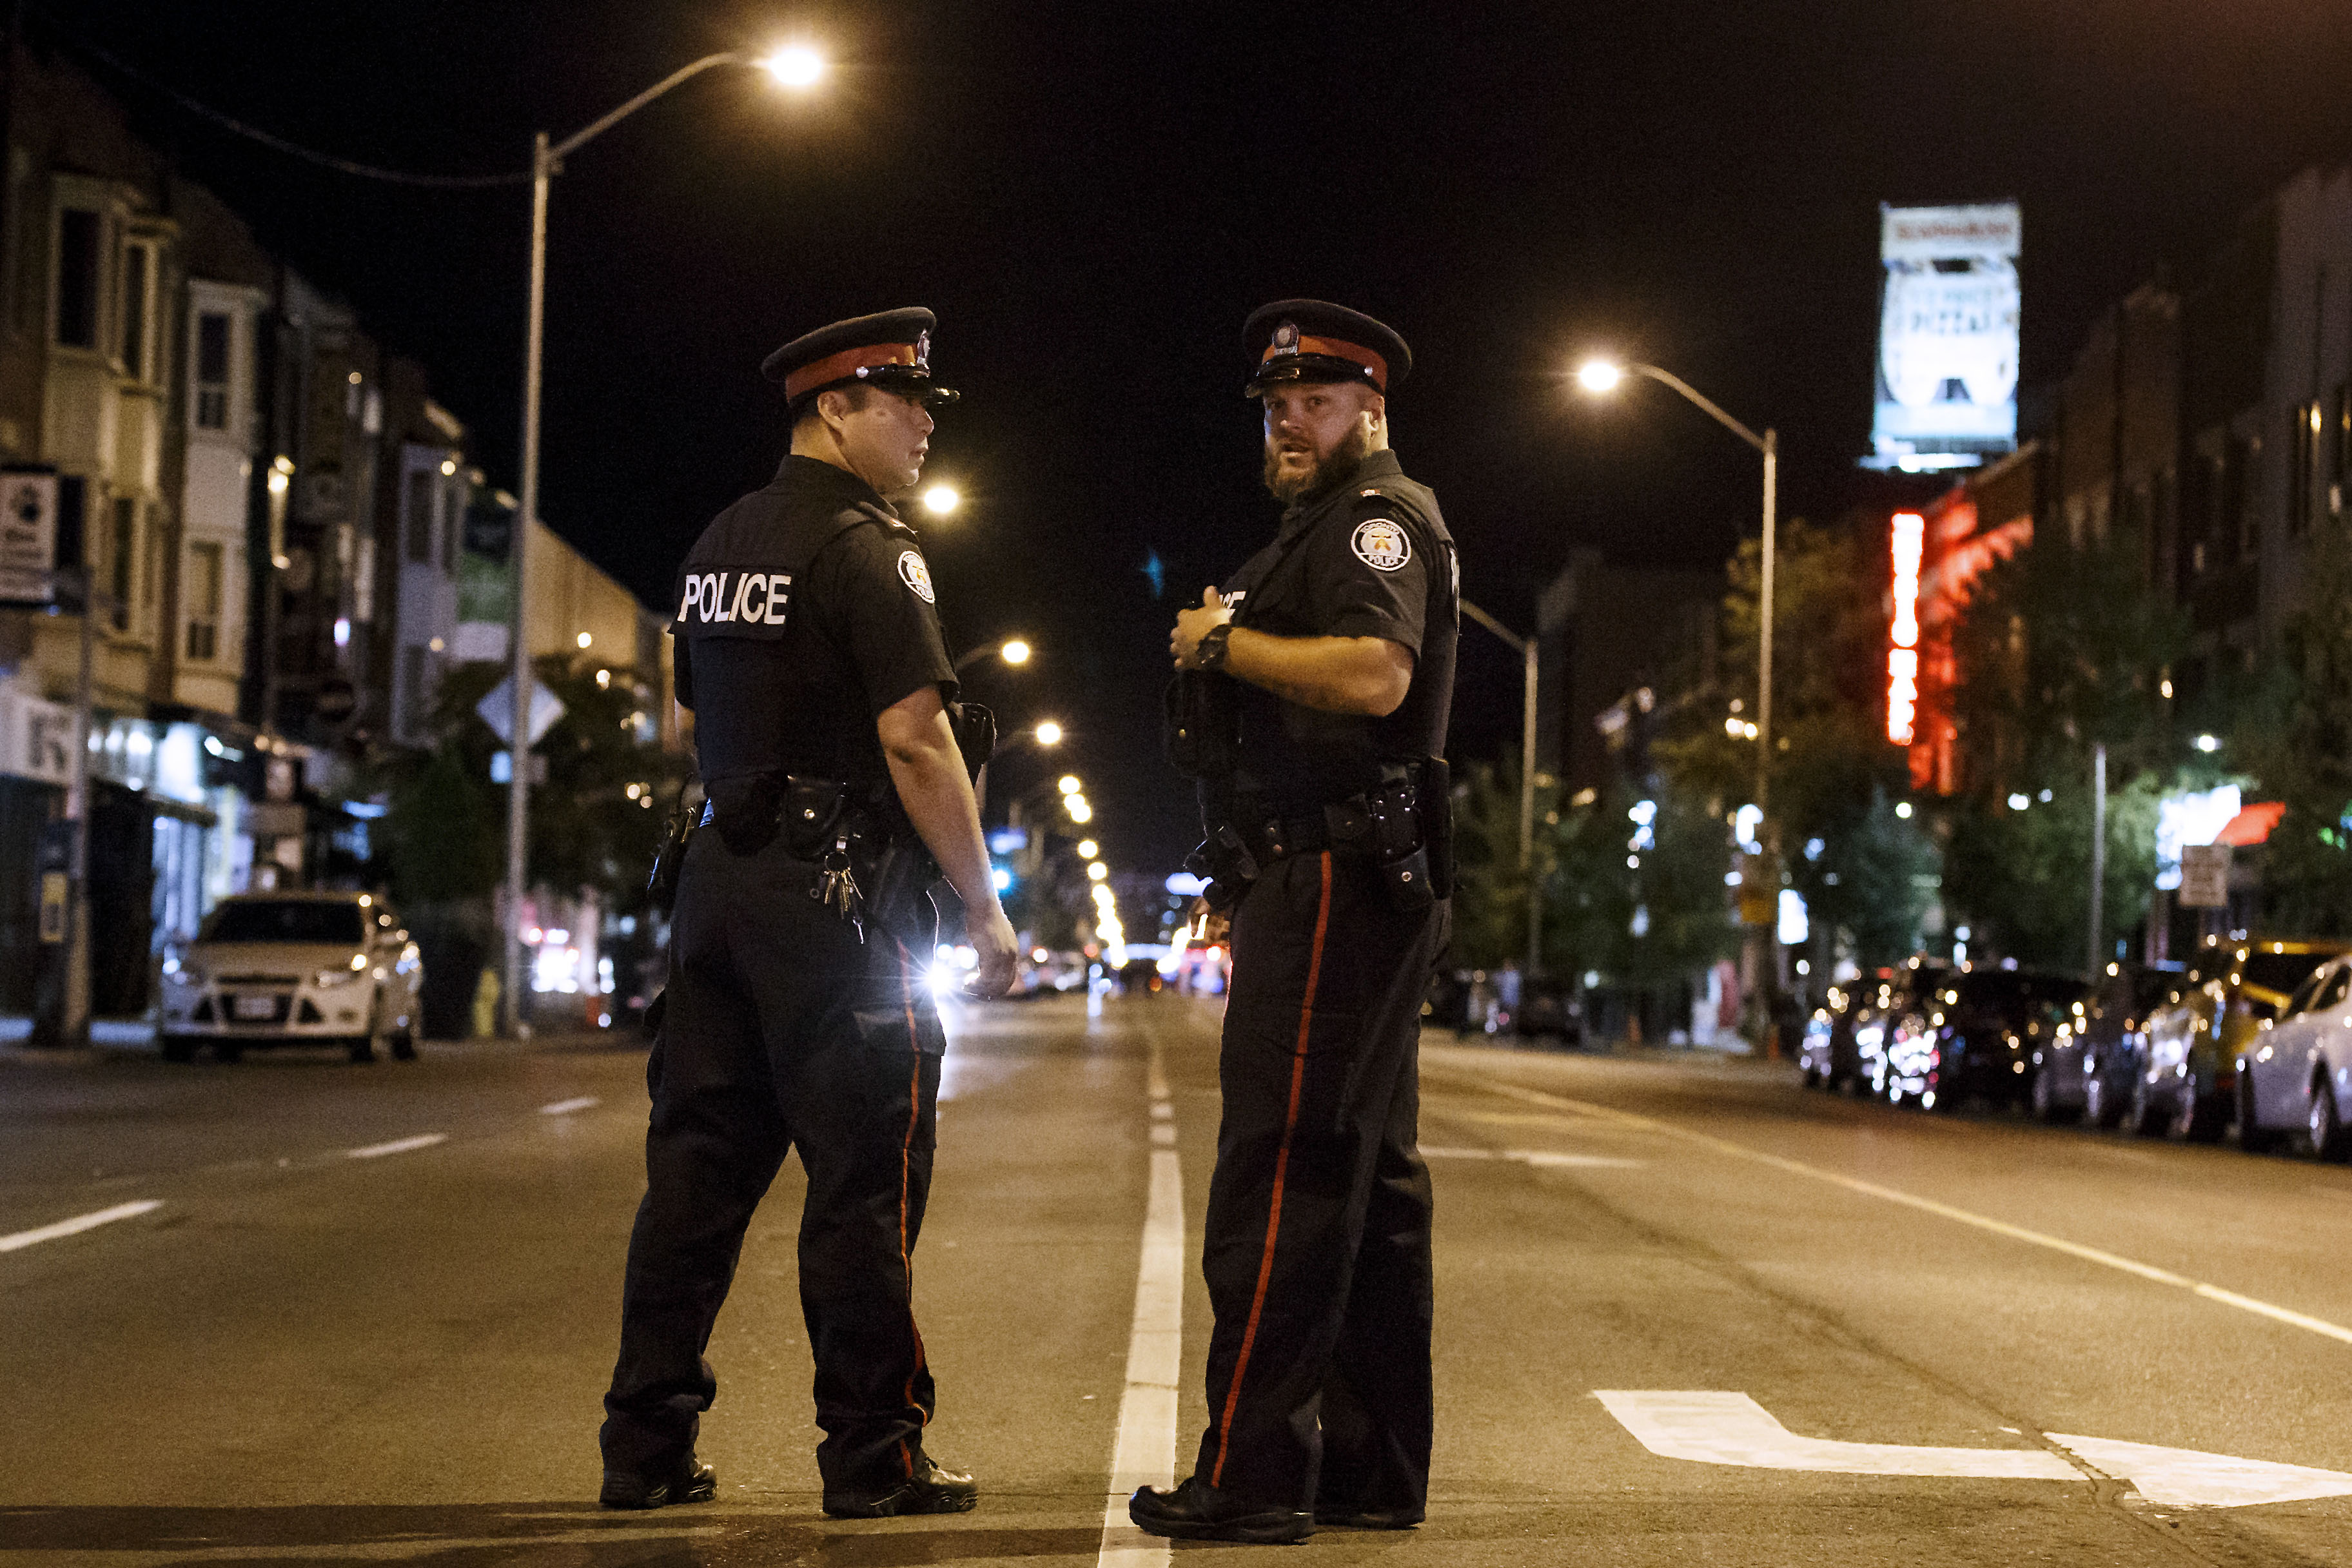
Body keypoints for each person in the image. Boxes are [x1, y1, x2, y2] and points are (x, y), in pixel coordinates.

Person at [600, 307, 1019, 1519]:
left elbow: (694, 719)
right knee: (863, 1185)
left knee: (693, 1179)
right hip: (838, 907)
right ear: (836, 410)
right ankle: (874, 1456)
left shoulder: (722, 538)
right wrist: (985, 912)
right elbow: (914, 736)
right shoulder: (868, 546)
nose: (929, 422)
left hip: (720, 886)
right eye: (907, 401)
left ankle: (646, 1446)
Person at [1133, 300, 1458, 1544]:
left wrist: (1225, 644)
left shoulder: (1377, 523)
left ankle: (1256, 1469)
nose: (1287, 422)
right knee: (1369, 1186)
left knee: (1282, 1171)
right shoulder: (1317, 529)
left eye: (1313, 403)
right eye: (1275, 406)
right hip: (1334, 875)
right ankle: (1371, 1467)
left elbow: (1375, 678)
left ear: (1368, 409)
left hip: (1337, 878)